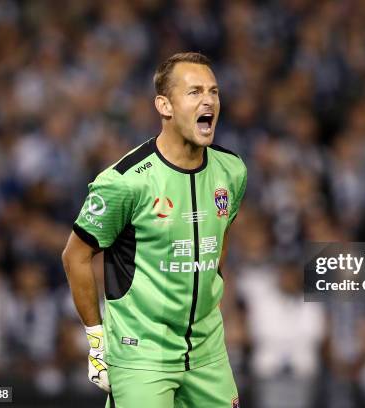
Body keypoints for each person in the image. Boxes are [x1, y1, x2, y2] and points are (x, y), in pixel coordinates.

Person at [61, 52, 246, 408]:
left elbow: (220, 238)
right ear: (165, 105)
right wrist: (97, 341)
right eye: (194, 92)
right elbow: (75, 256)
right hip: (142, 357)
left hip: (208, 353)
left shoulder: (232, 170)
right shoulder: (124, 182)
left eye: (213, 91)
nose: (208, 100)